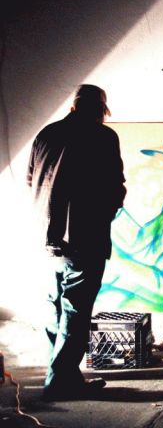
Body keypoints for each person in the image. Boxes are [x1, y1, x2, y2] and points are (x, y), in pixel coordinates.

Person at [27, 84, 126, 400]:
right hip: (84, 238)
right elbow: (114, 187)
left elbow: (30, 179)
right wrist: (105, 213)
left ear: (73, 106)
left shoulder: (46, 134)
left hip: (46, 238)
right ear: (101, 110)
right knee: (76, 310)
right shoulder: (103, 137)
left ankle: (61, 374)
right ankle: (60, 382)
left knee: (56, 307)